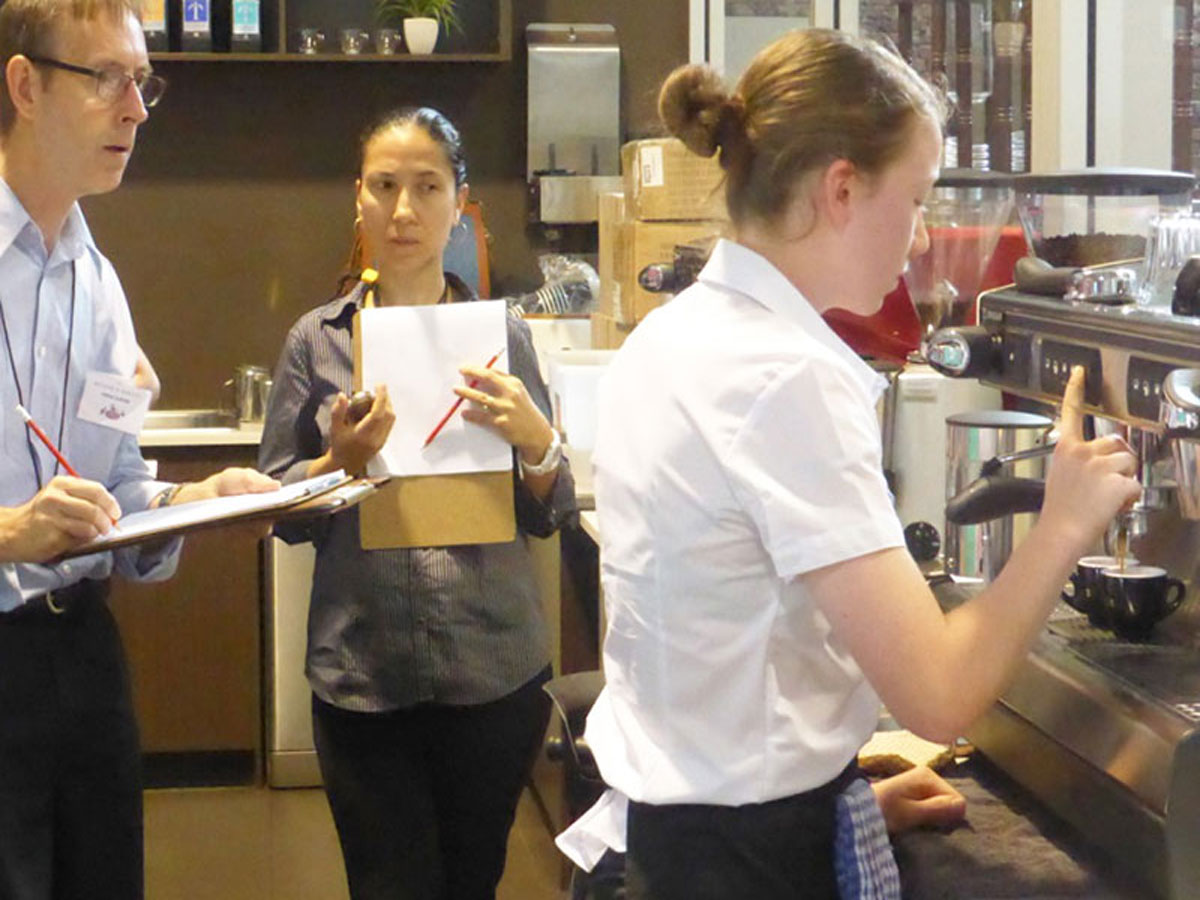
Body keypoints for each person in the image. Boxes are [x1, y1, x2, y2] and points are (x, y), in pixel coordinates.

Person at [562, 29, 1141, 900]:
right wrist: (1063, 522)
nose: (917, 240)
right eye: (914, 200)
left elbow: (727, 649)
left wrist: (847, 796)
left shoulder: (676, 333)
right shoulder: (784, 376)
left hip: (674, 836)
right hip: (741, 865)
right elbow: (938, 697)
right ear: (840, 189)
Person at [258, 106, 577, 900]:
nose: (403, 210)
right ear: (357, 199)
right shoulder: (317, 341)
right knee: (387, 885)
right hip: (365, 676)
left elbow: (550, 509)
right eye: (385, 186)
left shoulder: (504, 334)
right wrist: (340, 463)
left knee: (473, 881)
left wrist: (537, 440)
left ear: (460, 203)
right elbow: (279, 513)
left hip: (493, 671)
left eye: (426, 187)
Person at [0, 1, 279, 897]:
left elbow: (115, 485)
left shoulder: (100, 283)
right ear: (24, 85)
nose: (138, 108)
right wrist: (11, 531)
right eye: (108, 78)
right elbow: (30, 524)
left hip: (83, 656)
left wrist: (195, 506)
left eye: (142, 81)